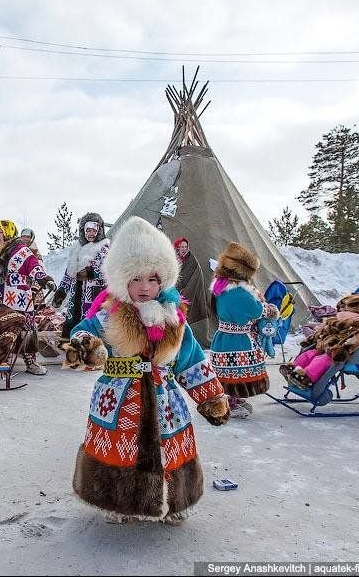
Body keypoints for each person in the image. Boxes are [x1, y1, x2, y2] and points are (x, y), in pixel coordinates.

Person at [67, 217, 229, 525]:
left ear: (164, 280)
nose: (145, 287)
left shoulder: (174, 320)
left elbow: (191, 359)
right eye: (136, 279)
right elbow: (80, 335)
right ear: (120, 280)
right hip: (119, 398)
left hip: (165, 399)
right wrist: (88, 347)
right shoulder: (107, 317)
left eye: (152, 279)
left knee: (170, 446)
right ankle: (117, 502)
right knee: (119, 450)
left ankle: (173, 500)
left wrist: (209, 396)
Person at [0, 219, 56, 375]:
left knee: (27, 329)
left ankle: (31, 362)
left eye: (1, 232)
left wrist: (43, 278)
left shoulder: (20, 250)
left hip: (18, 297)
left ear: (9, 232)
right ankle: (1, 363)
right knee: (1, 330)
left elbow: (33, 265)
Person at [209, 242, 279, 419]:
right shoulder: (238, 293)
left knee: (226, 372)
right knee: (236, 372)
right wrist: (269, 309)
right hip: (238, 340)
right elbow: (255, 310)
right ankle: (231, 403)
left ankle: (227, 399)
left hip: (224, 337)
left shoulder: (221, 286)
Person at [280, 293, 359, 389]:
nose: (343, 311)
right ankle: (293, 369)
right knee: (308, 354)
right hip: (323, 346)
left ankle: (305, 378)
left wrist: (341, 350)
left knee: (321, 360)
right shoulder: (336, 320)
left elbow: (354, 341)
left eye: (346, 309)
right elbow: (323, 330)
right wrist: (314, 338)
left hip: (335, 352)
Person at [53, 212, 110, 340]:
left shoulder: (104, 248)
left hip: (94, 294)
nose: (90, 234)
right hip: (76, 291)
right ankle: (70, 344)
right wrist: (61, 292)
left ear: (99, 231)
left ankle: (90, 345)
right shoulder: (76, 249)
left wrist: (89, 273)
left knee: (90, 321)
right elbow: (69, 273)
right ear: (83, 231)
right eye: (88, 230)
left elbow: (106, 270)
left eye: (93, 231)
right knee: (73, 317)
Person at [173, 236, 210, 347]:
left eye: (185, 246)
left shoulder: (191, 260)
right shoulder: (173, 259)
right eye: (181, 246)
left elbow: (193, 276)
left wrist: (184, 291)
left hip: (191, 292)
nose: (183, 249)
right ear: (177, 247)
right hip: (174, 293)